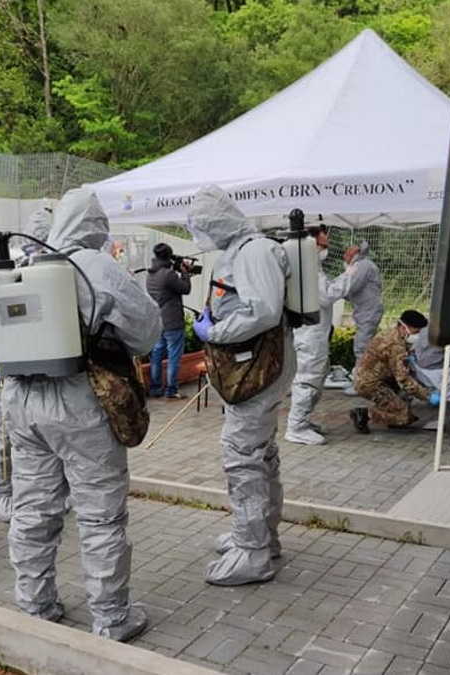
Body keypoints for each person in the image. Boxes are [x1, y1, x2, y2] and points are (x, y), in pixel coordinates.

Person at [0, 188, 161, 641]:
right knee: (99, 514)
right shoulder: (96, 266)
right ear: (95, 227)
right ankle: (111, 617)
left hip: (23, 406)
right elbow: (146, 331)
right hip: (81, 404)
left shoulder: (23, 270)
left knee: (32, 509)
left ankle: (35, 603)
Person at [186, 185, 295, 586]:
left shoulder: (253, 252)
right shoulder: (242, 250)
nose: (200, 234)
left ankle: (253, 552)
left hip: (258, 368)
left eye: (201, 226)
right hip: (254, 366)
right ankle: (260, 535)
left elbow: (262, 312)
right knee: (260, 454)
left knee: (243, 456)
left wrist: (215, 332)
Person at [0, 208, 52, 522]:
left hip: (43, 370)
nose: (37, 252)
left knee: (43, 436)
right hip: (11, 372)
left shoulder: (55, 273)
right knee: (7, 436)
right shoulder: (7, 275)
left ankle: (43, 492)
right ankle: (4, 493)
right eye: (35, 245)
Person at [285, 226, 351, 445]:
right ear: (311, 244)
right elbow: (327, 295)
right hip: (310, 334)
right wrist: (350, 272)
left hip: (315, 332)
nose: (326, 249)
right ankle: (296, 427)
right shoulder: (307, 269)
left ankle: (303, 421)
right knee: (307, 380)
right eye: (323, 245)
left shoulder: (311, 266)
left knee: (316, 377)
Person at [350, 309, 440, 433]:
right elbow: (403, 379)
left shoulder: (390, 334)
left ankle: (390, 407)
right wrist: (427, 396)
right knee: (404, 417)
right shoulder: (395, 345)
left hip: (372, 378)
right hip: (371, 384)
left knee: (403, 400)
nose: (417, 335)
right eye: (416, 331)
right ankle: (364, 414)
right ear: (405, 327)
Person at [145, 243, 192, 399]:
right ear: (168, 256)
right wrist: (185, 273)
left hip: (158, 321)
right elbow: (185, 288)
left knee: (157, 356)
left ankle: (155, 388)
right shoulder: (168, 275)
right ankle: (171, 390)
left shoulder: (150, 274)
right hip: (172, 322)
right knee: (173, 357)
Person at [342, 241, 383, 395]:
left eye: (346, 253)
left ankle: (361, 385)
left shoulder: (363, 266)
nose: (344, 257)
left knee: (362, 347)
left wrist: (332, 291)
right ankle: (367, 381)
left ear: (354, 254)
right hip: (367, 312)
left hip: (369, 312)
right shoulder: (363, 265)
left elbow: (352, 285)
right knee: (366, 347)